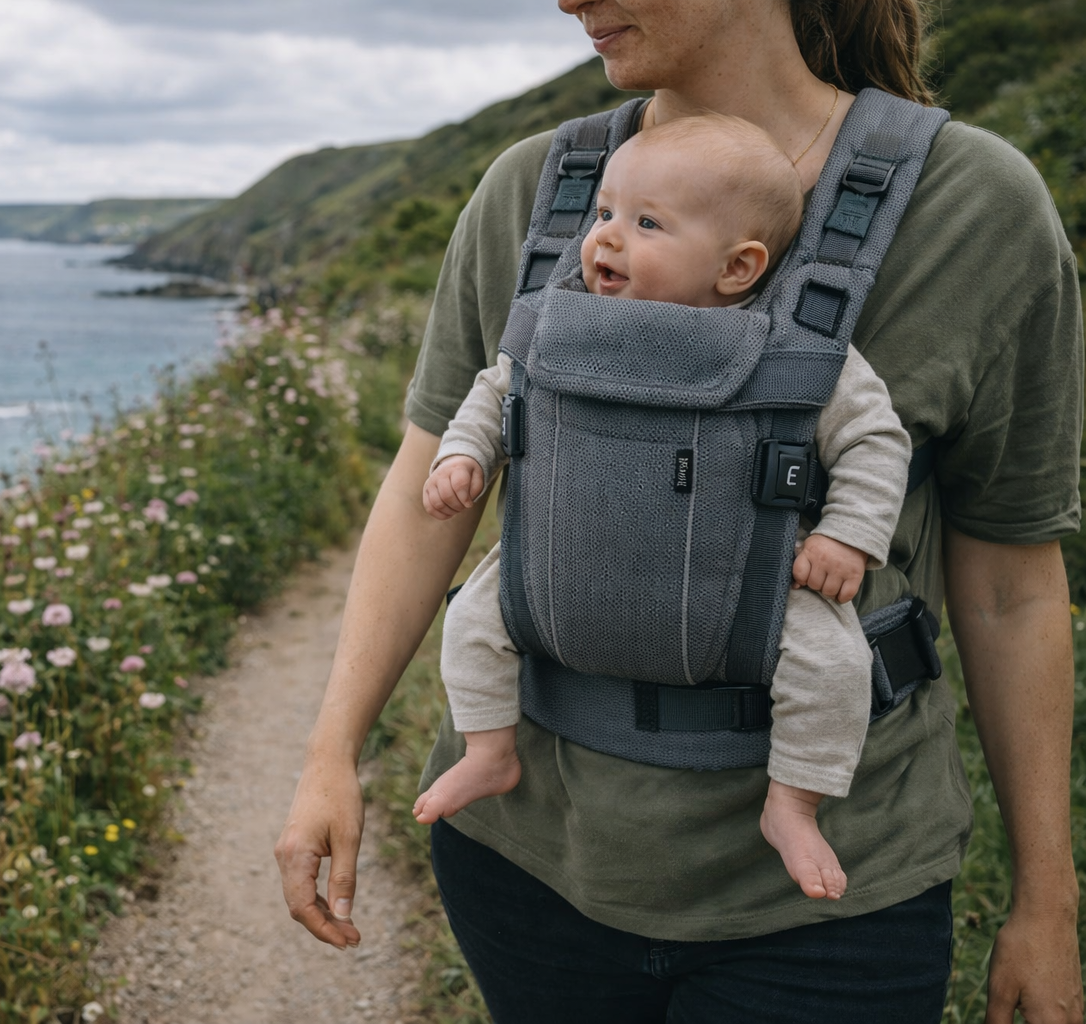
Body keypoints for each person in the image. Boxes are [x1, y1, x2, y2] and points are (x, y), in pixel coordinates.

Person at [275, 1, 1083, 1021]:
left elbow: (1011, 581)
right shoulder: (534, 189)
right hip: (527, 870)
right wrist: (328, 754)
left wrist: (1048, 900)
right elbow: (422, 489)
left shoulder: (975, 210)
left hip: (832, 909)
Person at [412, 112, 912, 904]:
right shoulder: (564, 315)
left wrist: (850, 535)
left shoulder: (791, 343)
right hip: (556, 554)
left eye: (647, 223)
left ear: (738, 266)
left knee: (832, 662)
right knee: (475, 615)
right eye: (605, 212)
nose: (605, 238)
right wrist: (463, 457)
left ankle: (794, 802)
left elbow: (875, 441)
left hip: (745, 576)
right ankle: (488, 745)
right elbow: (493, 392)